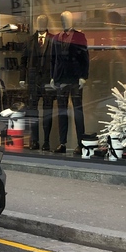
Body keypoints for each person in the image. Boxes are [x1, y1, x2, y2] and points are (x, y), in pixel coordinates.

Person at [50, 11, 89, 154]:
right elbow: (53, 60)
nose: (65, 22)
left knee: (78, 111)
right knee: (62, 112)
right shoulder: (56, 38)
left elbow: (85, 58)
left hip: (75, 78)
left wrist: (83, 76)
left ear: (72, 20)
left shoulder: (80, 36)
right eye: (63, 19)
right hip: (60, 79)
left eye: (68, 19)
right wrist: (53, 77)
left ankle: (81, 143)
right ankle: (62, 143)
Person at [19, 15, 55, 151]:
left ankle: (46, 141)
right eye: (39, 22)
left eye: (44, 22)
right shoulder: (29, 40)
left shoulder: (53, 39)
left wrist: (54, 77)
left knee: (48, 110)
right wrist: (22, 78)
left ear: (47, 23)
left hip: (48, 80)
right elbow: (23, 61)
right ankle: (35, 140)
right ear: (36, 24)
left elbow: (57, 60)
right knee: (33, 111)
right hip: (33, 80)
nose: (41, 24)